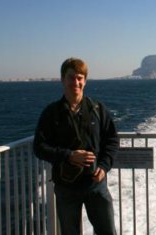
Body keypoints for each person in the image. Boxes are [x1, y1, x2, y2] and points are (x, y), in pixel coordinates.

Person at [33, 57, 119, 235]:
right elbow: (39, 147)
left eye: (80, 78)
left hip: (96, 184)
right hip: (67, 187)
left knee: (108, 231)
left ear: (85, 81)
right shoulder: (52, 113)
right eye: (71, 77)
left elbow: (111, 140)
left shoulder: (98, 109)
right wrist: (69, 155)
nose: (76, 82)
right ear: (63, 80)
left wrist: (103, 167)